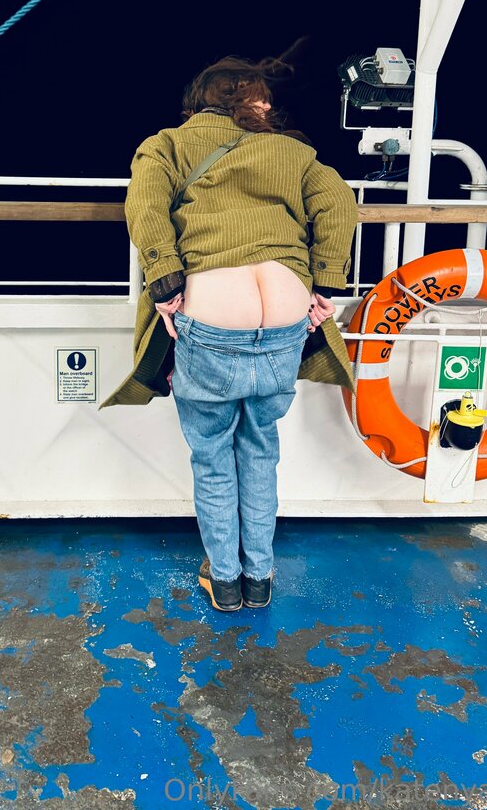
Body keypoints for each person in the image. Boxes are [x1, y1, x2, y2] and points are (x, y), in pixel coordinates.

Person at [99, 55, 357, 612]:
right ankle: (259, 577)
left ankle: (226, 580)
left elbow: (144, 205)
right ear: (252, 103)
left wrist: (166, 279)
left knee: (213, 454)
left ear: (198, 104)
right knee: (260, 448)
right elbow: (339, 203)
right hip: (286, 316)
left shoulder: (166, 145)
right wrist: (326, 282)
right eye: (264, 99)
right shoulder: (291, 152)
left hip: (213, 317)